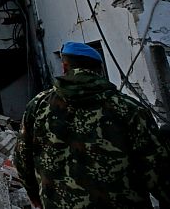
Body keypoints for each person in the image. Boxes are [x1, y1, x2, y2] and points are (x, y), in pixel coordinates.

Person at [14, 42, 170, 209]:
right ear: (100, 69)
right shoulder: (128, 108)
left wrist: (34, 194)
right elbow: (157, 168)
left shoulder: (38, 105)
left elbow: (22, 158)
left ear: (64, 67)